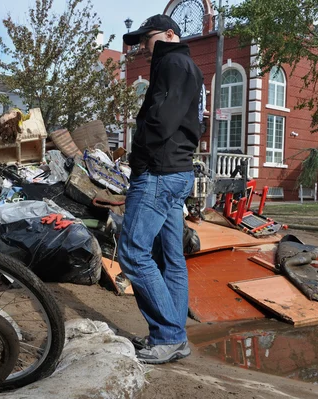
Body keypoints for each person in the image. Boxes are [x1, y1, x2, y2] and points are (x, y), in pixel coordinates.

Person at [118, 14, 204, 364]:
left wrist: (138, 156)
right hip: (177, 171)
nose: (143, 47)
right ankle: (171, 335)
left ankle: (169, 335)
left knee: (134, 253)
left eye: (146, 39)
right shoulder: (188, 67)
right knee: (171, 259)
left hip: (158, 172)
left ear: (170, 34)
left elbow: (159, 121)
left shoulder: (172, 63)